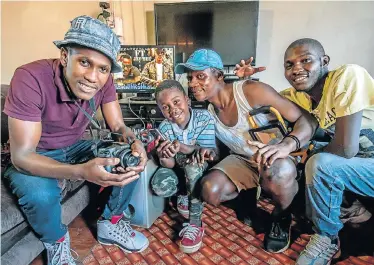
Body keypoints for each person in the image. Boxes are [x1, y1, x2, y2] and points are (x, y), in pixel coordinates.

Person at [3, 15, 149, 264]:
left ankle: (110, 223)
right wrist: (81, 172)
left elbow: (118, 126)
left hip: (76, 147)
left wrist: (135, 143)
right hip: (39, 153)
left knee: (129, 156)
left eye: (102, 69)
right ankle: (57, 243)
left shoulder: (105, 80)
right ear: (64, 56)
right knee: (39, 194)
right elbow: (22, 156)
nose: (93, 77)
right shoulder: (29, 77)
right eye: (84, 62)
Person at [237, 38, 374, 265]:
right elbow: (265, 100)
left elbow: (346, 148)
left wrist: (297, 152)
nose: (296, 69)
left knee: (317, 163)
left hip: (364, 162)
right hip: (356, 166)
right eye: (289, 65)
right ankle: (353, 219)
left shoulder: (348, 76)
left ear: (324, 61)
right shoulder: (299, 95)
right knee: (300, 165)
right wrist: (247, 82)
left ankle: (326, 238)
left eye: (306, 60)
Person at [175, 49, 317, 253]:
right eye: (190, 78)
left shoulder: (251, 91)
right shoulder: (208, 113)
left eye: (200, 76)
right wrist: (202, 151)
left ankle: (281, 215)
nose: (192, 83)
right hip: (243, 159)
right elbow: (218, 151)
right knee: (209, 190)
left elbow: (307, 120)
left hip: (277, 157)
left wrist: (285, 146)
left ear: (219, 76)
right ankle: (249, 195)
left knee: (276, 172)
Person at [151, 79, 218, 253]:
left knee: (192, 165)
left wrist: (181, 147)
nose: (173, 109)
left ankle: (195, 224)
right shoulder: (164, 127)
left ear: (187, 100)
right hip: (180, 171)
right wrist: (164, 155)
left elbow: (208, 154)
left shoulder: (204, 117)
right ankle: (183, 193)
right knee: (159, 183)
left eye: (176, 102)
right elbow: (169, 164)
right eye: (165, 107)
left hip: (203, 170)